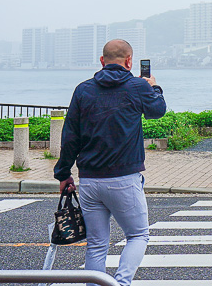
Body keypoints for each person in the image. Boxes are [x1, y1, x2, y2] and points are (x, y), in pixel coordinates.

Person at [54, 39, 166, 286]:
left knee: (96, 244)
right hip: (124, 178)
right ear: (129, 62)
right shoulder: (138, 86)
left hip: (90, 180)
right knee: (138, 235)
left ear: (102, 62)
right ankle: (121, 283)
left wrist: (64, 174)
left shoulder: (83, 90)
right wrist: (154, 87)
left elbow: (70, 136)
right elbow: (158, 110)